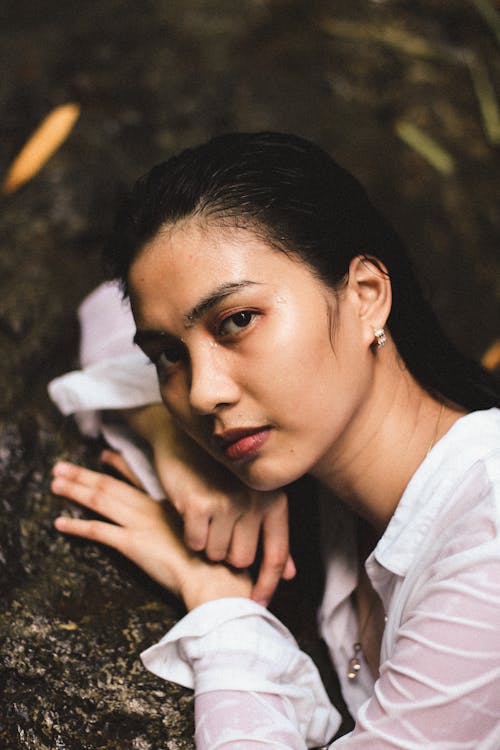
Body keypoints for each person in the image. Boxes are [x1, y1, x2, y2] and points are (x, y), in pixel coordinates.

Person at [49, 132, 500, 749]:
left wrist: (221, 612)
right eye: (168, 358)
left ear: (366, 296)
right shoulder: (353, 510)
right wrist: (177, 447)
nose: (203, 395)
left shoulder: (488, 537)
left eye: (236, 321)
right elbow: (104, 310)